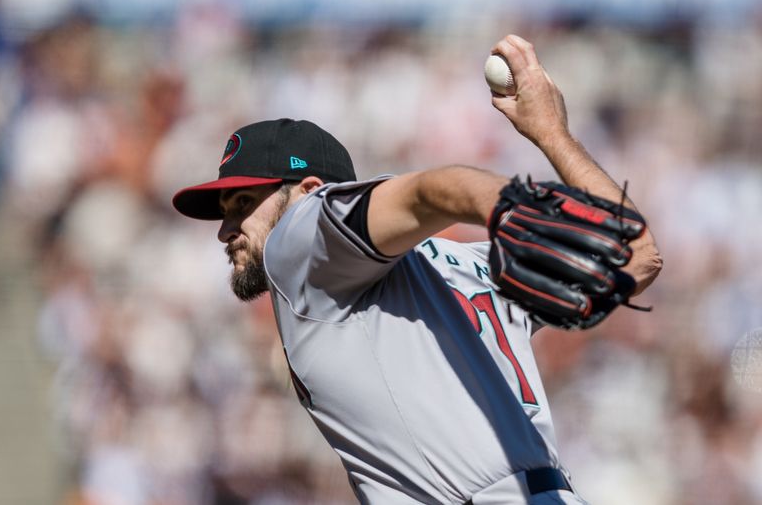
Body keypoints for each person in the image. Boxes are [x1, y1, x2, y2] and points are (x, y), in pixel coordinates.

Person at [172, 35, 662, 504]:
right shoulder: (470, 267)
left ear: (310, 192)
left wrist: (516, 209)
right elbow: (637, 253)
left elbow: (434, 189)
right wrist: (553, 136)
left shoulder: (295, 243)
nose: (225, 228)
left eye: (242, 203)